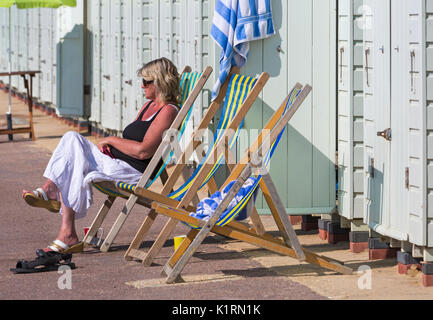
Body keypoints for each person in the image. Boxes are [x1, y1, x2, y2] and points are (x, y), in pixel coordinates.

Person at [22, 57, 180, 253]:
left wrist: (111, 140)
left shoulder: (168, 111)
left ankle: (56, 205)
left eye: (146, 82)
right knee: (72, 144)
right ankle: (61, 218)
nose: (142, 86)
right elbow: (132, 142)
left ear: (160, 82)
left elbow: (143, 151)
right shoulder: (149, 106)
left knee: (73, 148)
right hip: (114, 162)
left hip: (131, 171)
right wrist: (111, 146)